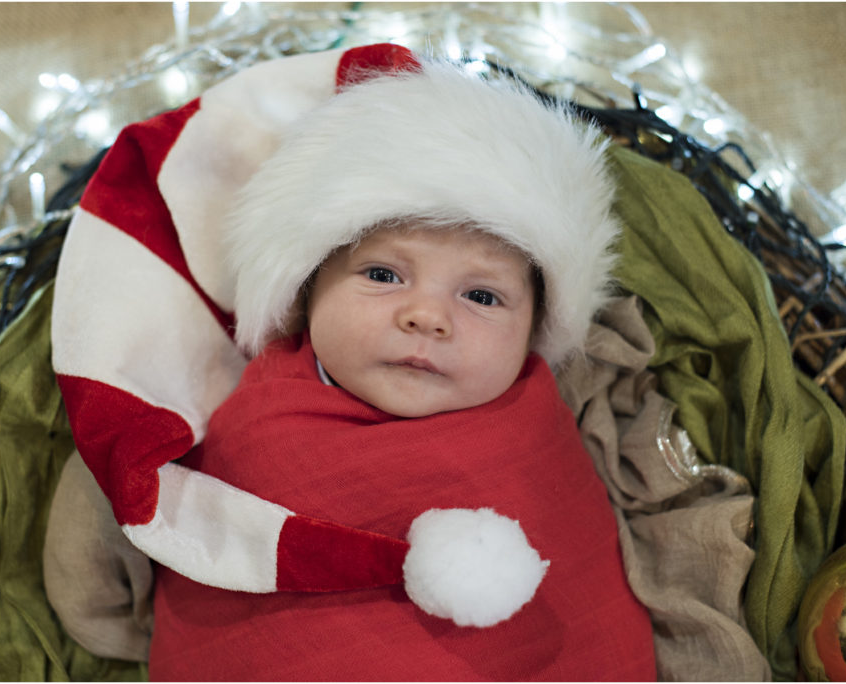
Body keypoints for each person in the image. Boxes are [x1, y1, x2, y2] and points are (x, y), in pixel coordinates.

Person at [50, 44, 656, 681]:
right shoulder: (246, 421)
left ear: (538, 328)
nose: (427, 316)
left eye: (481, 295)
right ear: (308, 288)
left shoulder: (538, 425)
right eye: (384, 274)